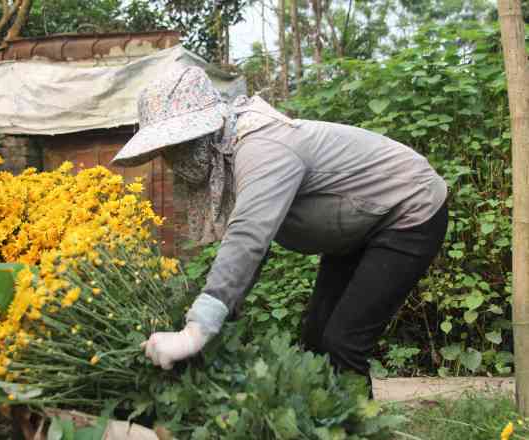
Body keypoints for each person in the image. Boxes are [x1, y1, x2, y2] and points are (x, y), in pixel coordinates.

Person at [111, 66, 448, 394]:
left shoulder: (262, 146)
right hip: (360, 229)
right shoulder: (228, 156)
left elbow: (249, 237)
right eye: (165, 151)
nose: (173, 159)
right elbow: (252, 254)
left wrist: (195, 332)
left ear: (203, 133)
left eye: (177, 146)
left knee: (343, 343)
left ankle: (363, 431)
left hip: (407, 210)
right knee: (316, 339)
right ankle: (329, 430)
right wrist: (218, 317)